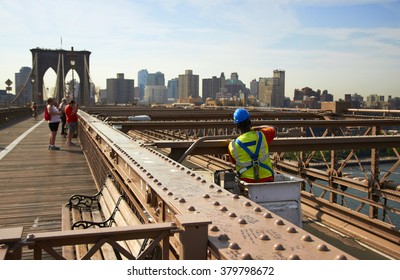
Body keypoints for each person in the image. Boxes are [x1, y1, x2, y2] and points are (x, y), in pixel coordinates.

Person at [228, 108, 276, 183]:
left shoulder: (232, 145)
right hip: (267, 179)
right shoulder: (262, 135)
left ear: (237, 126)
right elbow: (273, 129)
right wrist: (255, 128)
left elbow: (234, 162)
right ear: (250, 122)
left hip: (247, 182)